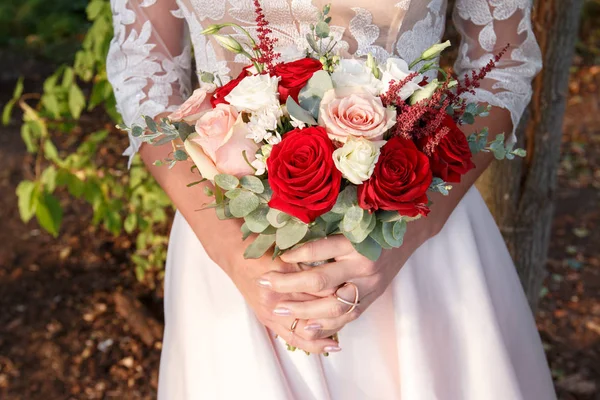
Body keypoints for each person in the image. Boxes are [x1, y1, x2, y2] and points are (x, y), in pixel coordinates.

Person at [107, 1, 557, 399]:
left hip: (417, 234)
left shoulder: (414, 231)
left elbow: (501, 65)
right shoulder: (231, 252)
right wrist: (233, 255)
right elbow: (144, 75)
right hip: (232, 242)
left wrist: (409, 231)